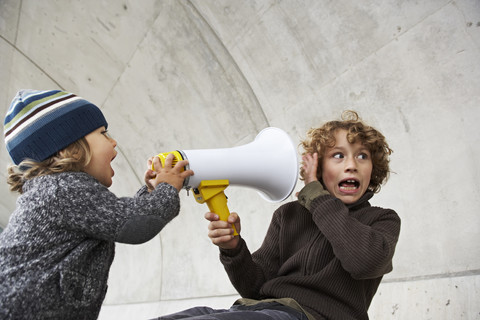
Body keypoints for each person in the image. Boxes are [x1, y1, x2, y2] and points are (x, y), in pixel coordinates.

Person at [155, 111, 401, 320]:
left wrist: (314, 194)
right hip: (261, 310)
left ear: (373, 168)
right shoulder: (289, 215)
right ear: (318, 166)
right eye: (338, 155)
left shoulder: (382, 220)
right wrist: (233, 249)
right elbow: (254, 287)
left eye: (362, 156)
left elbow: (365, 261)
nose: (352, 165)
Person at [0, 89, 194, 319]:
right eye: (103, 133)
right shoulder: (62, 189)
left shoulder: (56, 191)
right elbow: (135, 224)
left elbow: (120, 216)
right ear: (68, 147)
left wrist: (152, 192)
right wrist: (168, 187)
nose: (113, 141)